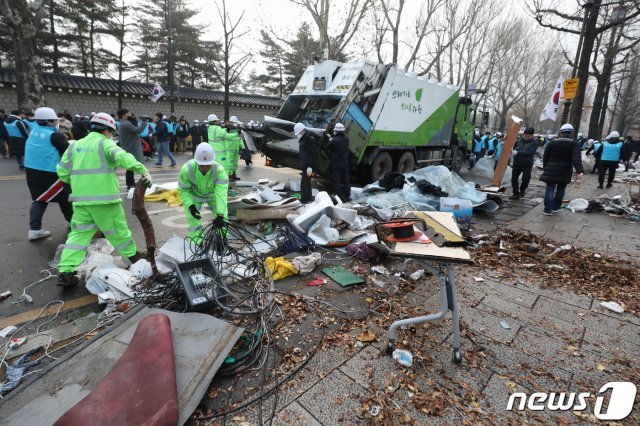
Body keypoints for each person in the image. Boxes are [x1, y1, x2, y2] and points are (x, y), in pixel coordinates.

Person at [55, 113, 152, 287]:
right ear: (107, 130)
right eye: (112, 133)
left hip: (81, 202)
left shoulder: (74, 146)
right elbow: (124, 157)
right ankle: (134, 257)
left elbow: (61, 171)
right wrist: (142, 170)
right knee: (118, 231)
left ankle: (66, 272)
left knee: (77, 236)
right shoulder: (105, 143)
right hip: (105, 201)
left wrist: (77, 184)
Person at [24, 107, 73, 240]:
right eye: (53, 120)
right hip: (50, 172)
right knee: (65, 196)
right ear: (46, 121)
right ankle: (72, 222)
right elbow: (68, 152)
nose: (55, 123)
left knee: (39, 199)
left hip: (31, 170)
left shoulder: (33, 131)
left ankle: (35, 229)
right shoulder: (54, 135)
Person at [178, 143, 229, 244]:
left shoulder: (219, 171)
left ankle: (222, 240)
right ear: (196, 161)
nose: (205, 168)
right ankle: (196, 243)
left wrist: (220, 215)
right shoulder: (187, 169)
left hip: (212, 195)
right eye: (202, 165)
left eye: (208, 165)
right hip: (195, 196)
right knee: (193, 220)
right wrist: (190, 205)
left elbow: (221, 194)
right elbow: (183, 190)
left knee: (224, 218)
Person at [539, 123, 583, 216]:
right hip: (565, 170)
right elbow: (576, 158)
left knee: (550, 189)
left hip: (551, 168)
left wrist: (545, 167)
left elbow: (545, 156)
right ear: (571, 132)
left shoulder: (552, 142)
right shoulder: (575, 143)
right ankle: (556, 207)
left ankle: (547, 210)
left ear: (561, 131)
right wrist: (579, 171)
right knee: (561, 189)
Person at [510, 127, 538, 199]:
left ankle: (522, 190)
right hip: (517, 162)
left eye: (528, 136)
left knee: (525, 179)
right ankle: (515, 194)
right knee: (514, 179)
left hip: (527, 164)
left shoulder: (534, 143)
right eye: (524, 135)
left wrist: (517, 152)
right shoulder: (519, 141)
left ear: (532, 136)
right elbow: (512, 145)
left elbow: (530, 153)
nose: (526, 137)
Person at [295, 122, 318, 203]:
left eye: (299, 133)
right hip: (305, 165)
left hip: (308, 166)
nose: (298, 134)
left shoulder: (309, 139)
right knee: (306, 182)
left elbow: (312, 153)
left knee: (304, 183)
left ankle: (305, 199)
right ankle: (307, 198)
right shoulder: (305, 138)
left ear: (302, 131)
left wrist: (310, 166)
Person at [327, 122, 350, 201]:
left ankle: (337, 196)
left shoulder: (334, 141)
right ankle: (347, 195)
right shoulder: (347, 139)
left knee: (336, 180)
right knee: (346, 180)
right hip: (344, 163)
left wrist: (330, 139)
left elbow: (328, 147)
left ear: (336, 131)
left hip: (336, 164)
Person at [225, 116, 244, 181]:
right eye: (234, 122)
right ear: (231, 122)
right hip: (229, 150)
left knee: (235, 164)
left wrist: (242, 147)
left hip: (236, 150)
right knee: (229, 164)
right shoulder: (227, 130)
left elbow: (240, 139)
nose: (235, 124)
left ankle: (234, 175)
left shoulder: (237, 130)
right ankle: (229, 175)